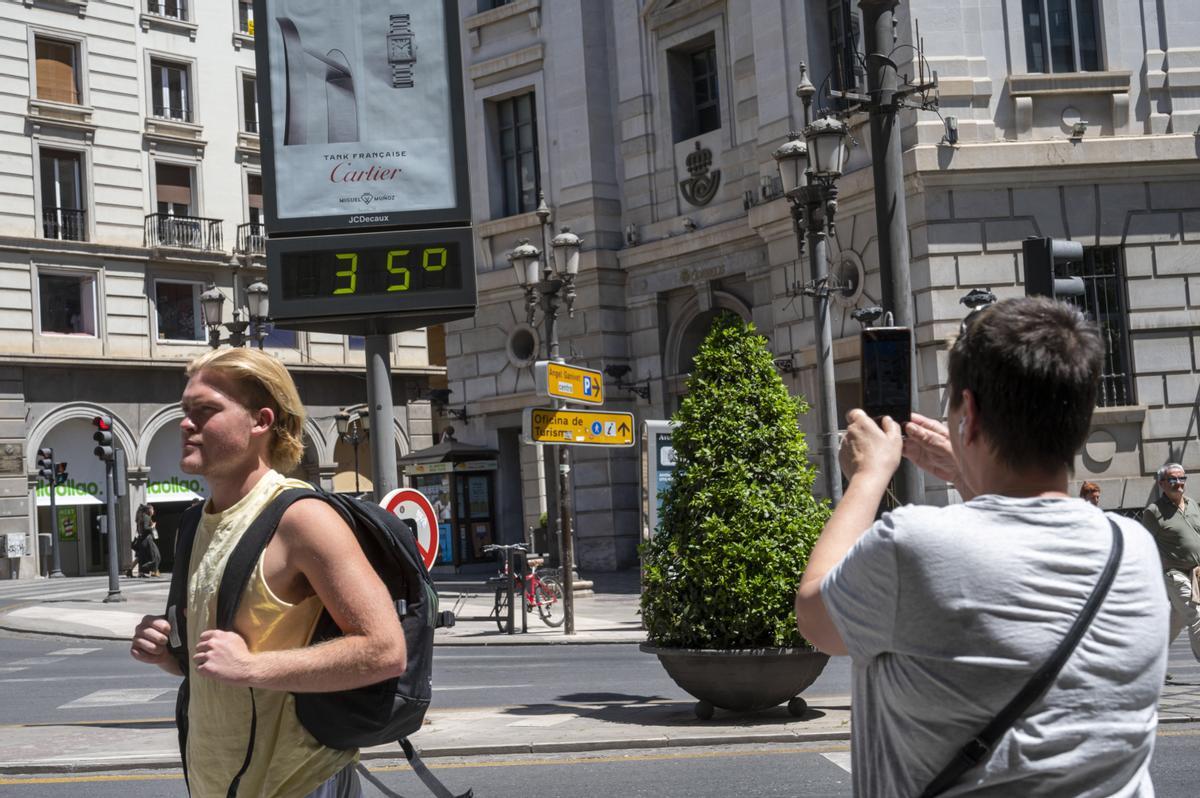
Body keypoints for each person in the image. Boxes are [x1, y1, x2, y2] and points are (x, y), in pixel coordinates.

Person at [794, 297, 1168, 797]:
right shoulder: (1135, 550)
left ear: (968, 412)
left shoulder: (912, 545)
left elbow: (815, 616)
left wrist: (867, 476)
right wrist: (969, 473)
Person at [129, 348, 406, 798]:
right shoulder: (195, 524)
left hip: (297, 784)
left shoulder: (302, 519)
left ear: (260, 421)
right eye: (185, 410)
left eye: (206, 410)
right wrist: (169, 656)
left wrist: (251, 666)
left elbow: (384, 651)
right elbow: (223, 670)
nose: (185, 423)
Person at [1141, 463, 1200, 662]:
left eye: (1182, 478)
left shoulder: (1193, 504)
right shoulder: (1153, 511)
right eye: (1172, 479)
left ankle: (1151, 660)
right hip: (1174, 573)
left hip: (1197, 574)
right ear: (1162, 484)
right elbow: (1145, 544)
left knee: (1178, 619)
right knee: (1195, 615)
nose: (1178, 483)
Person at [134, 504, 161, 577]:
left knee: (143, 557)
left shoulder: (142, 517)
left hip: (144, 540)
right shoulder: (146, 517)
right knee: (156, 556)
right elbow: (146, 528)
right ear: (149, 510)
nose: (153, 511)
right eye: (152, 509)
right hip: (147, 540)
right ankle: (151, 570)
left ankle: (143, 571)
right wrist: (152, 526)